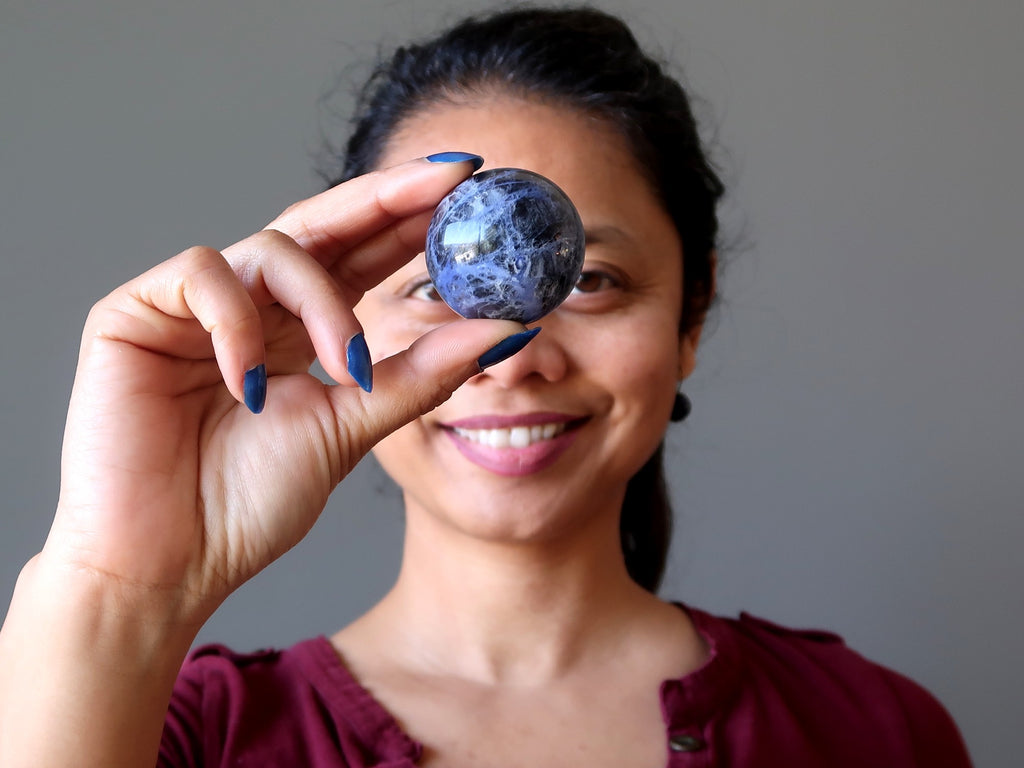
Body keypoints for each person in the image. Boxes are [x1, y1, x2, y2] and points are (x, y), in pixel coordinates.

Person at [0, 6, 972, 767]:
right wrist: (118, 586)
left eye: (588, 280)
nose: (512, 355)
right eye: (435, 286)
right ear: (342, 314)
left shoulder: (874, 733)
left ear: (691, 314)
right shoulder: (185, 742)